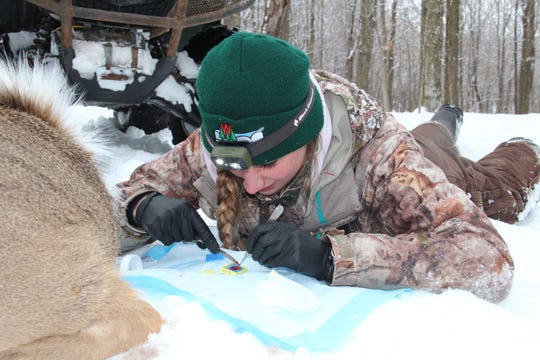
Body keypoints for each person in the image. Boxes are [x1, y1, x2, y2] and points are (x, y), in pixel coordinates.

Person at [114, 32, 540, 303]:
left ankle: (518, 143)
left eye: (268, 162)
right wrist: (142, 206)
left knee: (483, 180)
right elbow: (108, 201)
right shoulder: (222, 140)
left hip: (429, 163)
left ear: (306, 138)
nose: (253, 182)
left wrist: (330, 258)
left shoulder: (384, 158)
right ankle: (442, 121)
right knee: (432, 135)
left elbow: (490, 261)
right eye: (234, 166)